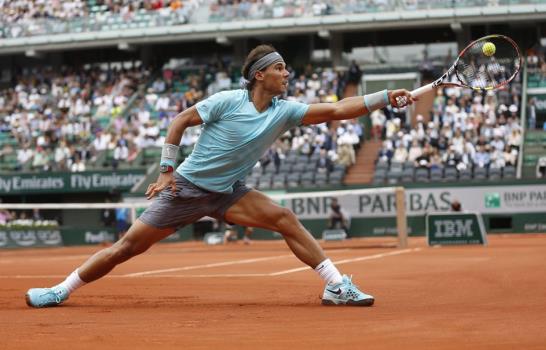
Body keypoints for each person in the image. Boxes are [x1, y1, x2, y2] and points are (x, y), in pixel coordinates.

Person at [25, 44, 415, 308]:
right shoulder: (227, 100)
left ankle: (335, 286)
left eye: (285, 68)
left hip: (229, 192)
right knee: (126, 248)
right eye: (280, 68)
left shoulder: (285, 110)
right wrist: (166, 170)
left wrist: (383, 98)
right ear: (260, 75)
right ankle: (60, 290)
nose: (287, 74)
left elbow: (335, 111)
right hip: (187, 189)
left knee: (284, 218)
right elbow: (180, 121)